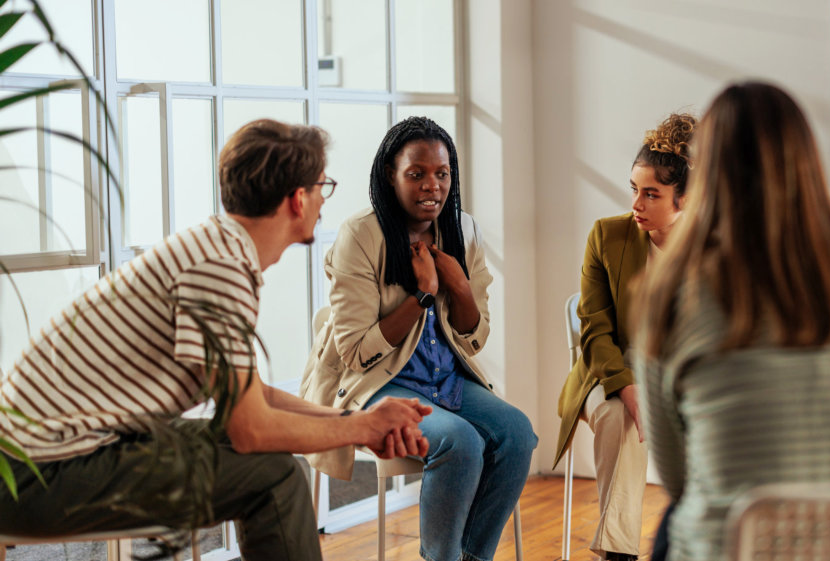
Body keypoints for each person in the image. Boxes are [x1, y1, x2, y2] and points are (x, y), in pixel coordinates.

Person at [0, 119, 430, 560]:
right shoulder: (219, 269)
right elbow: (251, 429)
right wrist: (361, 426)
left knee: (266, 461)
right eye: (323, 185)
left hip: (53, 454)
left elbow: (249, 396)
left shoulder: (217, 249)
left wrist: (350, 422)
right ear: (298, 199)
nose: (325, 200)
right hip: (31, 474)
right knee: (275, 476)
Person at [635, 82, 830, 561]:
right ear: (809, 165)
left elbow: (678, 479)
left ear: (707, 180)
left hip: (742, 549)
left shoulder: (676, 296)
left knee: (673, 527)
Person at [299, 116, 536, 561]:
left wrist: (459, 286)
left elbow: (473, 338)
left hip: (444, 379)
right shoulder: (361, 235)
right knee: (460, 442)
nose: (432, 186)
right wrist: (424, 295)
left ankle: (472, 557)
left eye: (442, 174)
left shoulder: (462, 230)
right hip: (379, 384)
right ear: (391, 175)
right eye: (417, 174)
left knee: (518, 433)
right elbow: (355, 351)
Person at [554, 113, 696, 561]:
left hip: (681, 376)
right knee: (621, 417)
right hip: (607, 370)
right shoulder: (607, 236)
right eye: (634, 189)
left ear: (686, 200)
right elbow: (594, 328)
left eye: (651, 194)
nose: (637, 202)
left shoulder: (712, 249)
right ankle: (618, 554)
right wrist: (627, 386)